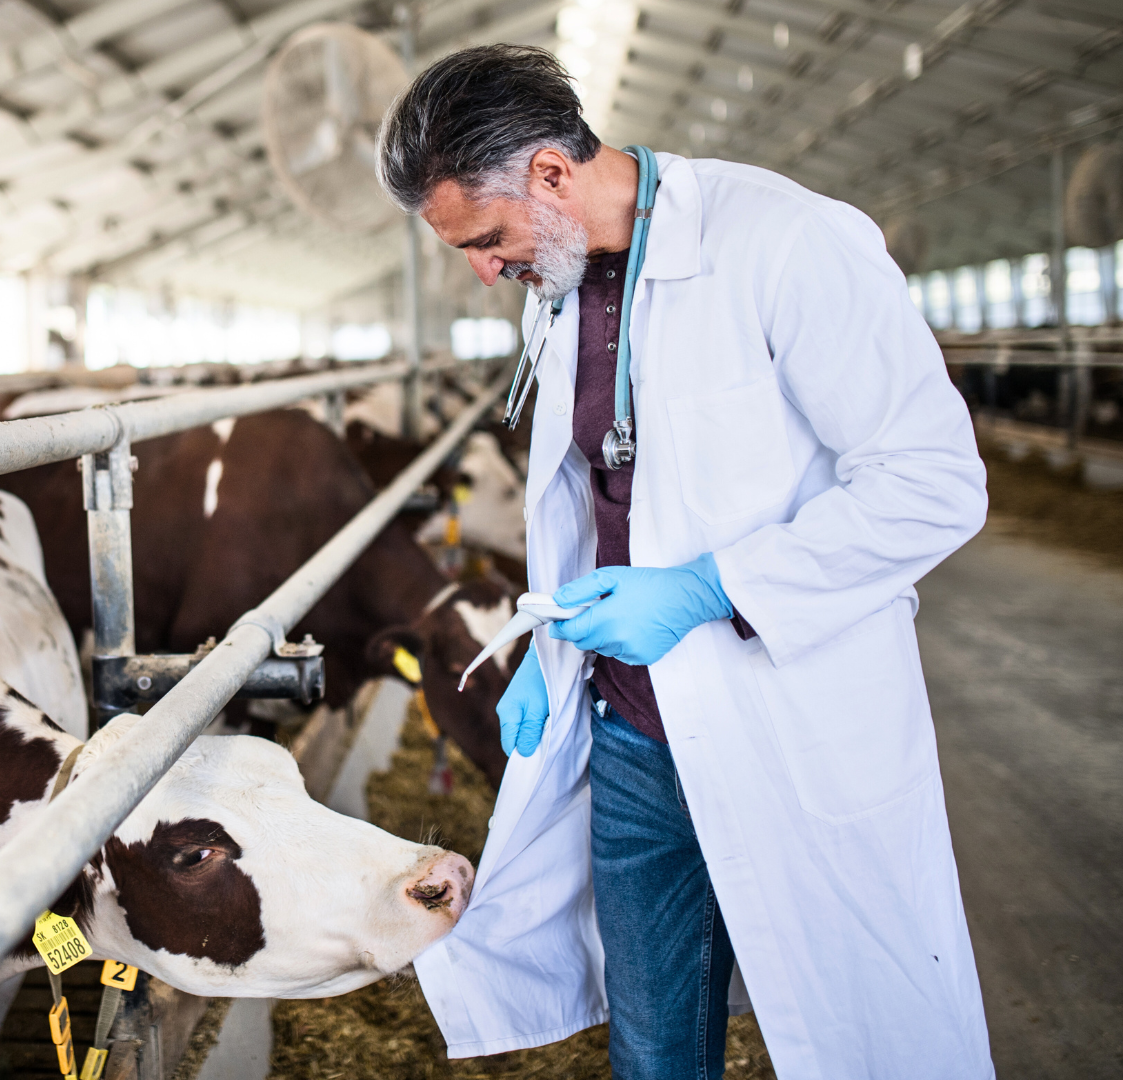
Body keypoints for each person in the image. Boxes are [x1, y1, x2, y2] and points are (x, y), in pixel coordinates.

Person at [376, 45, 994, 1080]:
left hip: (784, 717)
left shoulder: (787, 242)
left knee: (862, 1037)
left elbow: (933, 482)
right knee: (655, 1041)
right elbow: (596, 493)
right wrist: (548, 646)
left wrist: (713, 587)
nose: (484, 270)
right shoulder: (558, 280)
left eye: (486, 240)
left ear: (551, 173)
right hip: (628, 727)